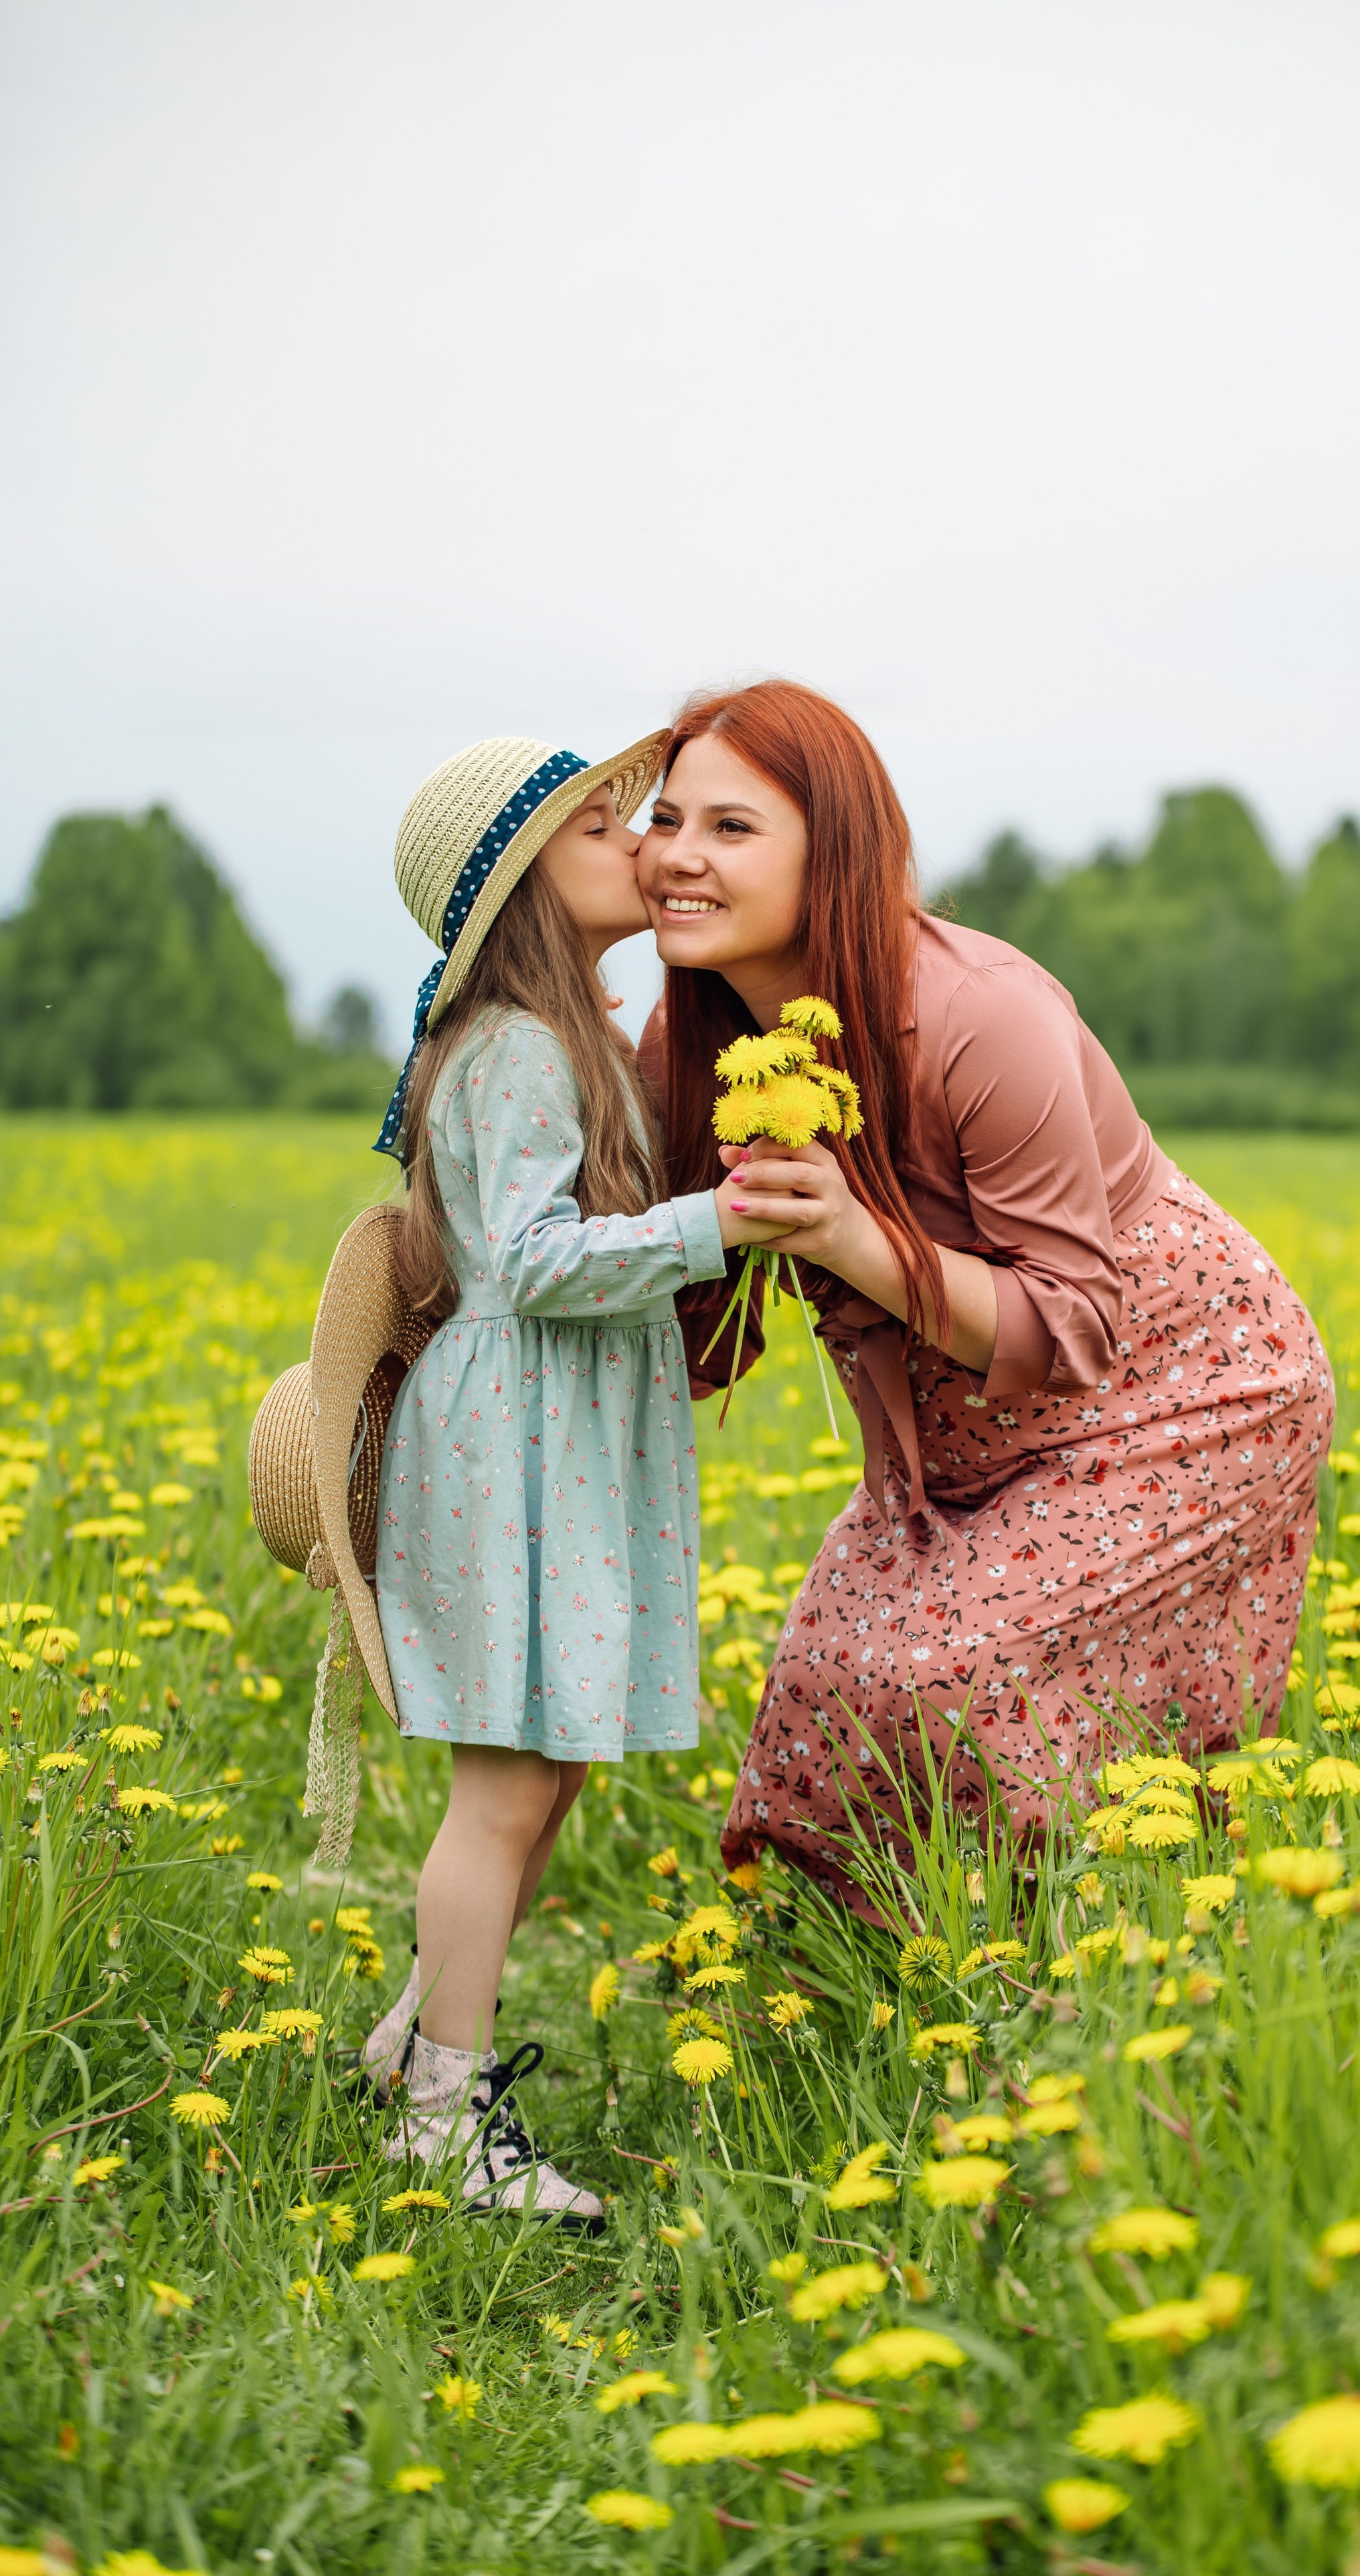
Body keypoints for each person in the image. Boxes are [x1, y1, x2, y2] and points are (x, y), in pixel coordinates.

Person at [638, 681, 1335, 1921]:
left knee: (947, 1673)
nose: (679, 858)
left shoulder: (976, 1015)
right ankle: (851, 2011)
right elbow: (705, 1342)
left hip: (1184, 1388)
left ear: (831, 851)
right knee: (823, 1690)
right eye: (664, 820)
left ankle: (1064, 1986)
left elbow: (1075, 1326)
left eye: (732, 828)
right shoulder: (686, 1049)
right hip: (955, 1435)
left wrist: (855, 1239)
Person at [357, 730, 770, 2221]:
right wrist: (716, 1226)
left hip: (553, 1445)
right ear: (532, 880)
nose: (642, 844)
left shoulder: (562, 1035)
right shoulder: (522, 1047)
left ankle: (418, 2046)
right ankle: (443, 2121)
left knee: (557, 1768)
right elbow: (527, 1263)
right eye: (606, 827)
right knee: (506, 1788)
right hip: (511, 1450)